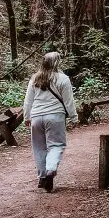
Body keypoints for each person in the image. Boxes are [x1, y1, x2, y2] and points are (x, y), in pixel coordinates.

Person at [23, 51, 77, 193]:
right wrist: (74, 117)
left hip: (36, 117)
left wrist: (27, 117)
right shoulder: (63, 79)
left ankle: (42, 177)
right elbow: (68, 101)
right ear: (57, 62)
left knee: (39, 147)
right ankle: (50, 170)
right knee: (56, 145)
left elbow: (28, 101)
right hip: (55, 116)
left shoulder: (34, 78)